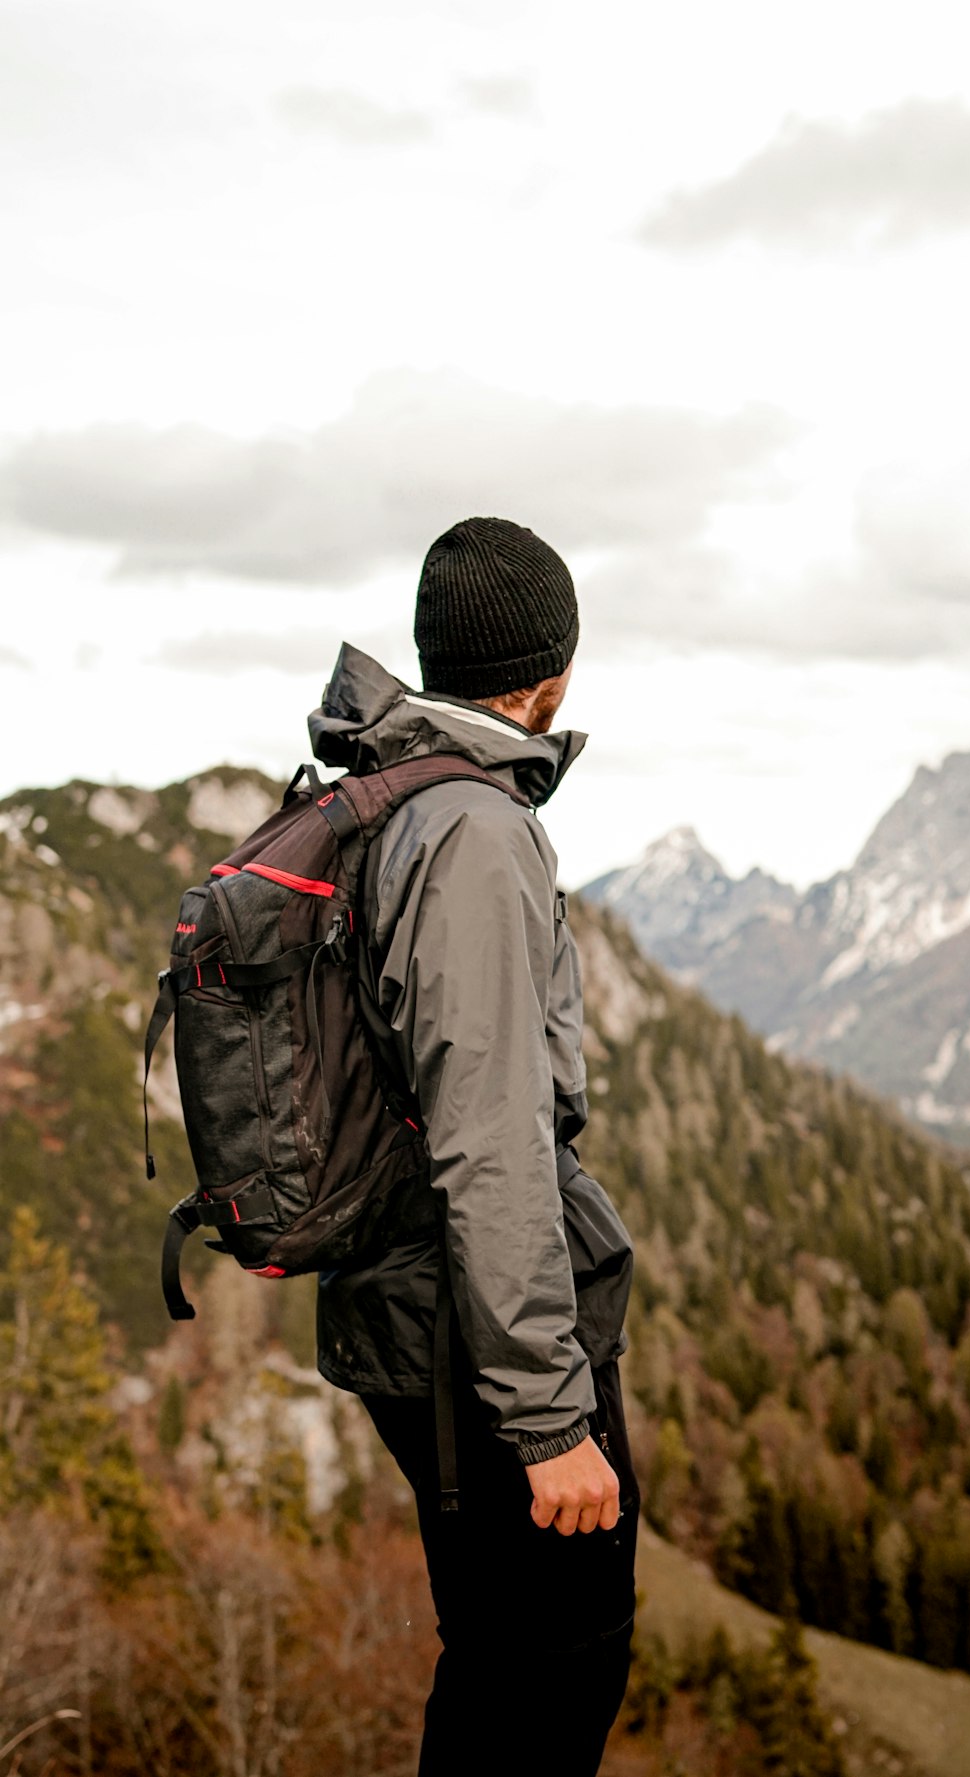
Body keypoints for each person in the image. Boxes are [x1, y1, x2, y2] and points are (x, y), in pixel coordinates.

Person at [309, 517, 637, 1776]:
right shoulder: (473, 833)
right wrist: (549, 1422)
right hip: (471, 1345)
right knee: (554, 1668)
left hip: (414, 1314)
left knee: (502, 1661)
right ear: (550, 672)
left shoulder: (378, 792)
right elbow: (488, 1138)